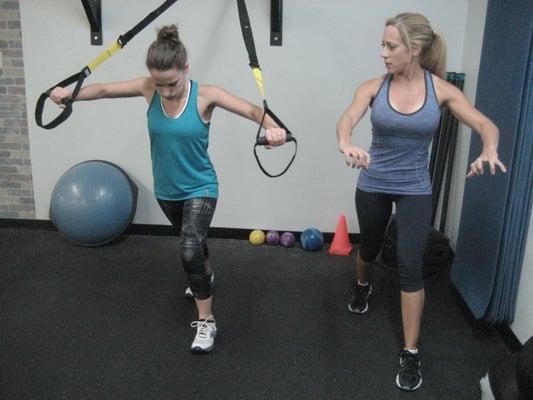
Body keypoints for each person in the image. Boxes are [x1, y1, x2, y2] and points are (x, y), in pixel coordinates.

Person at [50, 24, 287, 353]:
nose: (165, 91)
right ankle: (204, 275)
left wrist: (274, 129)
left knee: (189, 249)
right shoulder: (150, 89)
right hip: (167, 191)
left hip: (201, 186)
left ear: (186, 69)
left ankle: (206, 322)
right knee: (194, 246)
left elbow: (251, 110)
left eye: (172, 83)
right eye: (159, 84)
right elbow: (103, 90)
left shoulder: (206, 95)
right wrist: (68, 92)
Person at [335, 12, 506, 391]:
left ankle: (410, 352)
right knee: (371, 249)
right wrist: (346, 141)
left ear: (414, 49)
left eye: (390, 46)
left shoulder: (440, 90)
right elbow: (347, 117)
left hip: (415, 188)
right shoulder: (374, 87)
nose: (383, 53)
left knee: (411, 267)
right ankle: (363, 284)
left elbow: (484, 124)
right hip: (374, 183)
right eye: (383, 44)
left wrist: (489, 147)